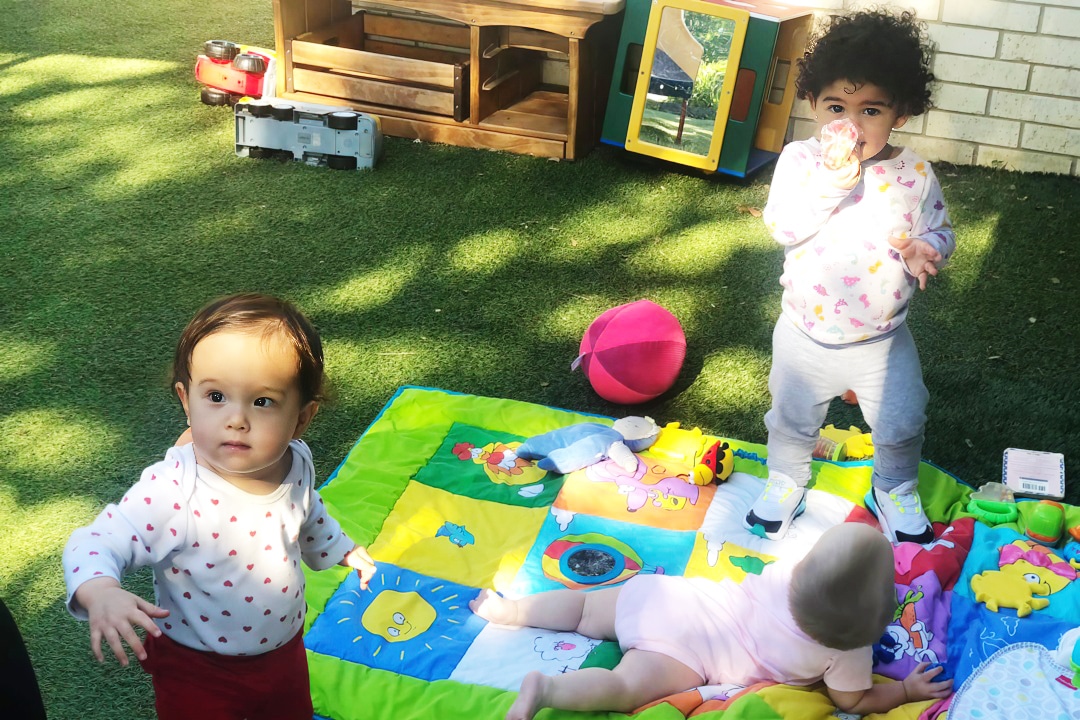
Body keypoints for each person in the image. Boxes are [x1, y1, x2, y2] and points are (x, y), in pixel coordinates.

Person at [62, 292, 377, 720]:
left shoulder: (295, 460)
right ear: (185, 399)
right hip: (197, 667)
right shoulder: (176, 490)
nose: (236, 419)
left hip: (283, 651)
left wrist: (339, 547)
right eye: (215, 397)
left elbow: (306, 511)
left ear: (301, 418)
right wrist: (100, 590)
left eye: (262, 401)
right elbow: (97, 540)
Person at [744, 8, 955, 544]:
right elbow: (783, 226)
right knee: (791, 422)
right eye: (837, 107)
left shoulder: (914, 174)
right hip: (803, 331)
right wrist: (834, 184)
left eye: (871, 110)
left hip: (882, 339)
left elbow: (940, 230)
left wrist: (927, 249)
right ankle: (786, 481)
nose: (852, 126)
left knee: (904, 421)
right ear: (814, 103)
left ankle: (893, 487)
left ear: (900, 114)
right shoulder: (801, 161)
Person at [470, 522, 951, 720]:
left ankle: (510, 611)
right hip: (683, 652)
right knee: (621, 688)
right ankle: (548, 690)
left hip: (668, 596)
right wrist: (904, 692)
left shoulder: (785, 575)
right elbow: (853, 698)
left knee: (582, 609)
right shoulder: (848, 650)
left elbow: (828, 575)